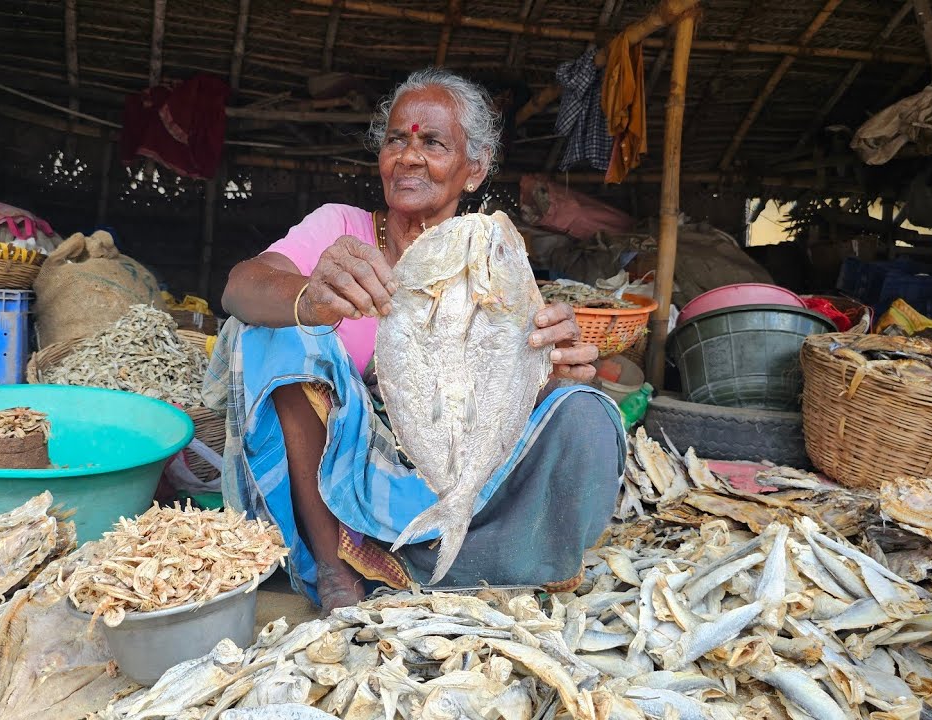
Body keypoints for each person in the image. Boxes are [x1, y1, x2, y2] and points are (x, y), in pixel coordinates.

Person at [206, 68, 625, 613]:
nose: (408, 156)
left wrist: (551, 369)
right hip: (339, 474)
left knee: (584, 410)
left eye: (432, 142)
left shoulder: (492, 254)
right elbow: (240, 287)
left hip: (450, 470)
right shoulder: (341, 229)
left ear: (473, 170)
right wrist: (308, 296)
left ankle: (472, 560)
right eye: (396, 140)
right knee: (274, 332)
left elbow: (505, 397)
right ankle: (338, 567)